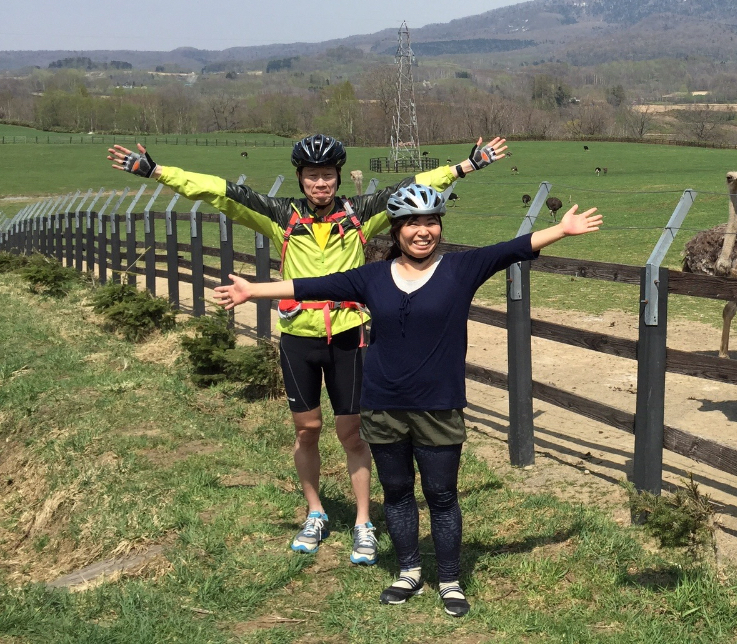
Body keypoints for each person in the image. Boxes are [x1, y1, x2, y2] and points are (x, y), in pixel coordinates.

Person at [107, 134, 507, 565]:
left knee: (353, 433)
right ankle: (315, 512)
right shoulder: (281, 216)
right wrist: (157, 171)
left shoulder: (359, 215)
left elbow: (411, 186)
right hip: (299, 337)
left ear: (338, 178)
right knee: (307, 430)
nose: (321, 183)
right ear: (300, 178)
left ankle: (362, 521)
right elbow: (219, 192)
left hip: (350, 334)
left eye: (328, 175)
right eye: (313, 176)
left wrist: (467, 166)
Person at [213, 184, 602, 615]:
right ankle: (409, 571)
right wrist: (254, 291)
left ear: (440, 226)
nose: (423, 231)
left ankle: (451, 580)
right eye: (413, 223)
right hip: (382, 405)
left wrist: (562, 230)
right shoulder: (371, 277)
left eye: (431, 222)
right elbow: (310, 284)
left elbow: (511, 248)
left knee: (441, 494)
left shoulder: (461, 269)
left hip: (439, 404)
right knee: (396, 492)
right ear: (396, 230)